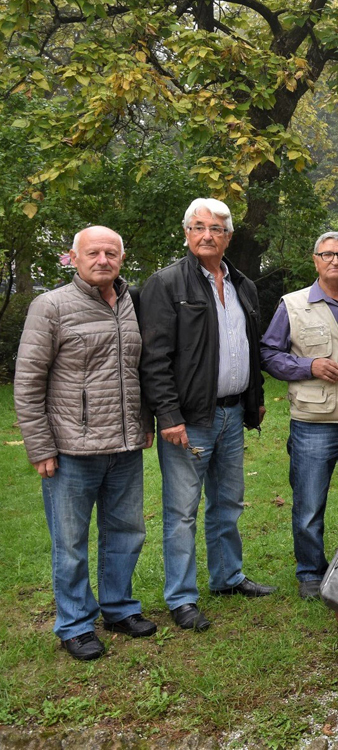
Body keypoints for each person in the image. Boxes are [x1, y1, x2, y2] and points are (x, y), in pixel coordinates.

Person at [14, 226, 157, 660]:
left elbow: (141, 370)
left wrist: (145, 422)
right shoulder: (52, 305)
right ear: (73, 258)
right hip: (71, 450)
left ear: (121, 258)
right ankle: (75, 624)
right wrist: (40, 447)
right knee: (70, 542)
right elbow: (27, 382)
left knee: (127, 533)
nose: (103, 260)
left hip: (126, 446)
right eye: (93, 252)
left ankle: (117, 608)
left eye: (111, 253)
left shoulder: (133, 304)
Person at [140, 198, 274, 633]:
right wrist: (169, 415)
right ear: (186, 233)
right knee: (182, 511)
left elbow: (250, 349)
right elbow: (154, 358)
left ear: (229, 237)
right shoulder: (165, 284)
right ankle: (181, 598)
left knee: (228, 502)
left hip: (232, 414)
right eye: (198, 227)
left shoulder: (243, 285)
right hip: (189, 419)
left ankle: (228, 577)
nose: (207, 235)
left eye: (216, 228)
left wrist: (255, 398)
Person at [260, 231, 338, 598]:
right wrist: (308, 366)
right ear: (315, 260)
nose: (335, 260)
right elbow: (269, 353)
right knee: (310, 502)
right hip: (314, 422)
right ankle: (311, 573)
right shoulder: (293, 305)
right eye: (327, 254)